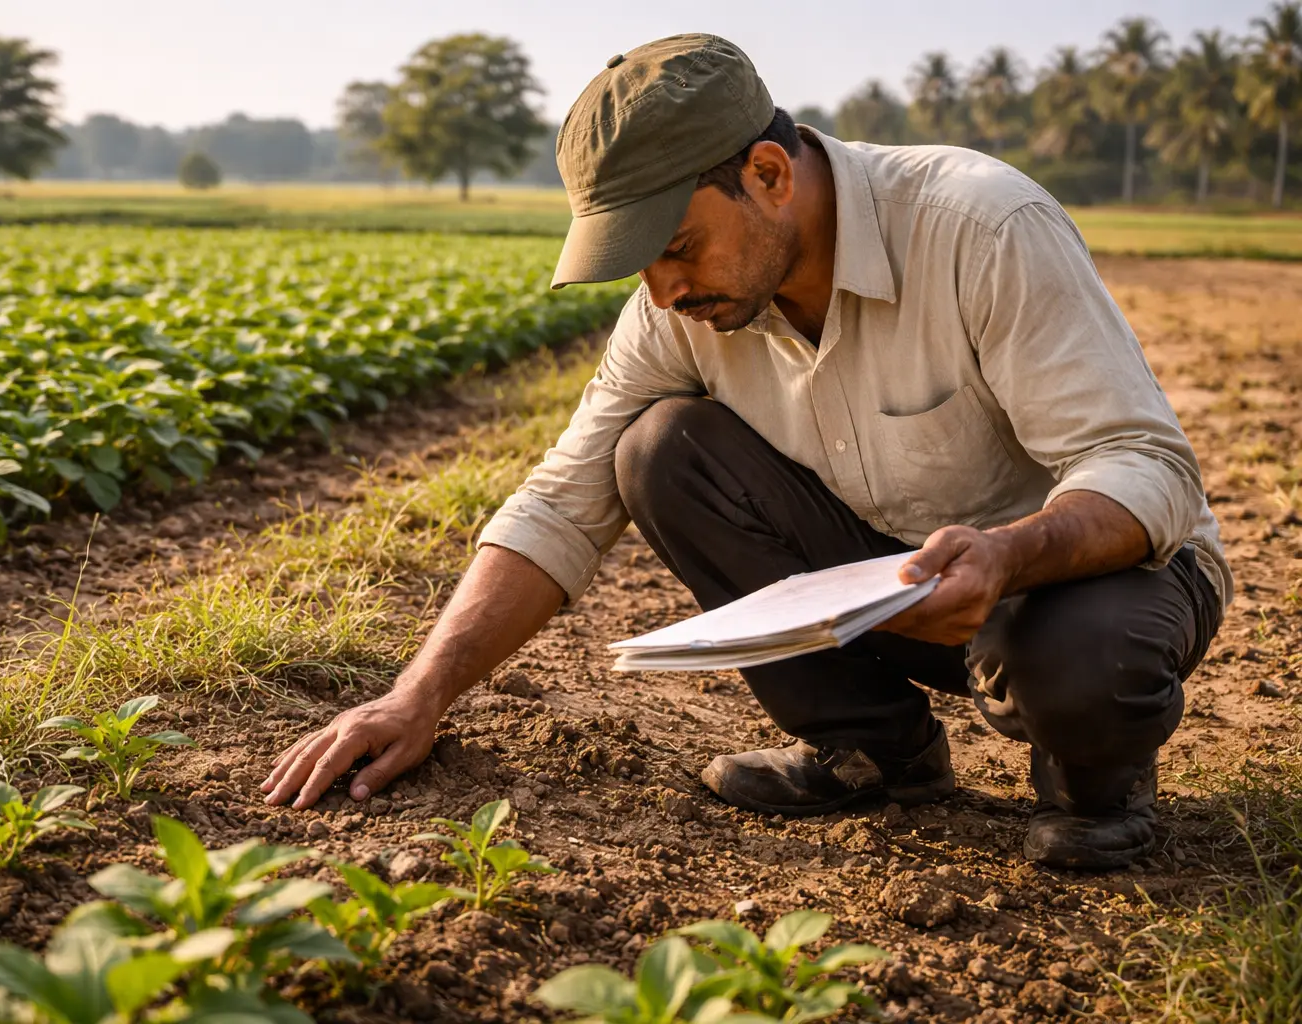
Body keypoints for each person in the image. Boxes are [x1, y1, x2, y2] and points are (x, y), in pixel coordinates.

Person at [262, 33, 1231, 870]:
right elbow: (563, 498)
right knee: (653, 451)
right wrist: (416, 696)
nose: (664, 289)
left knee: (1080, 658)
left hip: (1082, 580)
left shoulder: (980, 227)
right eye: (639, 264)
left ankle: (1097, 776)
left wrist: (1008, 554)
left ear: (770, 174)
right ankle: (876, 752)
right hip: (904, 590)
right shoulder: (679, 308)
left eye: (678, 245)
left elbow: (1149, 468)